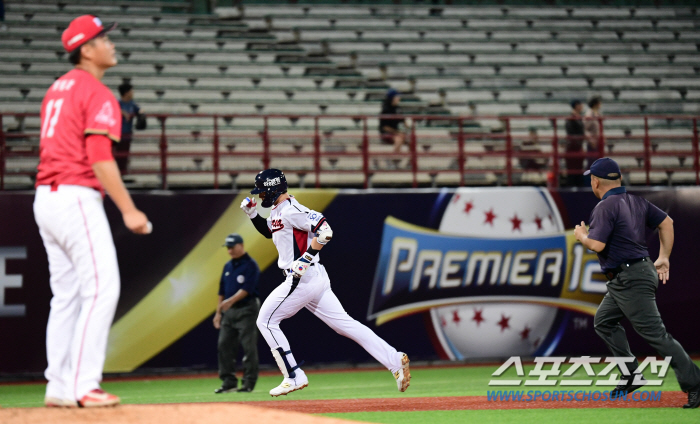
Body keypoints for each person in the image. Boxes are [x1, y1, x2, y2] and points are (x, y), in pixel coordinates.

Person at [33, 15, 151, 408]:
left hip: (45, 197)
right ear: (86, 49)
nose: (111, 44)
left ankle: (59, 386)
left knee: (66, 295)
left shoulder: (56, 88)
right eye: (104, 38)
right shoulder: (97, 92)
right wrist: (129, 209)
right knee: (103, 288)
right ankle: (85, 384)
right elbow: (99, 156)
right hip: (74, 195)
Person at [240, 169, 411, 397]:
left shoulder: (292, 209)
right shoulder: (278, 210)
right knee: (345, 324)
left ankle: (293, 375)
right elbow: (270, 232)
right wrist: (252, 215)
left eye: (262, 192)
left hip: (302, 278)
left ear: (273, 189)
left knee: (266, 321)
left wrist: (306, 257)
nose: (260, 196)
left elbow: (326, 231)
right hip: (313, 278)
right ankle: (393, 359)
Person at [574, 158, 700, 409]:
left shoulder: (605, 206)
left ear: (595, 181)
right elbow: (667, 223)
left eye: (591, 178)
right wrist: (663, 257)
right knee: (604, 322)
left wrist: (582, 236)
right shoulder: (637, 201)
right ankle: (631, 373)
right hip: (628, 277)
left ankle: (695, 383)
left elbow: (597, 245)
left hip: (630, 278)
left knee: (656, 335)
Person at [212, 233, 261, 394]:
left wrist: (230, 301)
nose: (230, 250)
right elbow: (221, 290)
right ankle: (229, 382)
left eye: (232, 247)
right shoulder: (228, 266)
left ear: (241, 245)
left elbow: (247, 289)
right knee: (224, 345)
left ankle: (248, 382)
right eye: (228, 248)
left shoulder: (250, 265)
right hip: (229, 312)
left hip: (247, 309)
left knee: (248, 347)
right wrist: (218, 313)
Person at [115, 83, 141, 175]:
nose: (133, 93)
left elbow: (139, 110)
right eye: (131, 91)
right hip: (116, 135)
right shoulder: (117, 103)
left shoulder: (132, 103)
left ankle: (123, 173)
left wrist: (142, 114)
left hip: (127, 134)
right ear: (126, 93)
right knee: (116, 155)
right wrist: (121, 112)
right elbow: (110, 109)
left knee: (124, 155)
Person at [378, 88, 406, 169]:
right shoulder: (386, 110)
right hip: (386, 133)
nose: (399, 98)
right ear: (392, 98)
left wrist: (407, 129)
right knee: (399, 139)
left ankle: (411, 162)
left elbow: (403, 121)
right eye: (397, 96)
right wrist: (398, 132)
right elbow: (385, 127)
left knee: (410, 139)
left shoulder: (397, 109)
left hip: (396, 132)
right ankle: (394, 161)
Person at [564, 99, 585, 187]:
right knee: (573, 171)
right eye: (580, 105)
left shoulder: (578, 117)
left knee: (578, 170)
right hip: (573, 147)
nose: (582, 107)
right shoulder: (571, 118)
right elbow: (570, 132)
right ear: (576, 105)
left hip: (577, 146)